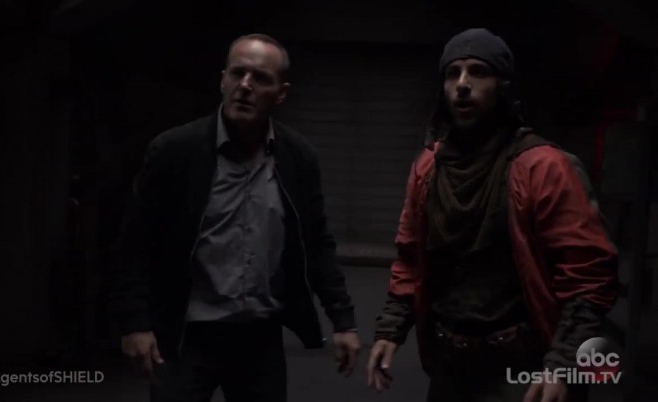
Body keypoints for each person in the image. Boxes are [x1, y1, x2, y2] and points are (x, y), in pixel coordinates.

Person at [367, 28, 618, 402]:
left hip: (523, 367)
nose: (462, 84)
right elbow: (410, 258)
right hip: (451, 364)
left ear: (502, 86)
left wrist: (563, 363)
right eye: (453, 73)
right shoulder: (429, 167)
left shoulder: (544, 167)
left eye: (478, 72)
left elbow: (588, 275)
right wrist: (390, 328)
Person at [108, 33, 361, 402]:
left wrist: (343, 320)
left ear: (281, 93)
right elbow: (135, 244)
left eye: (260, 78)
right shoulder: (175, 151)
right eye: (237, 73)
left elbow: (317, 242)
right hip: (186, 336)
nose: (245, 85)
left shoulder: (297, 157)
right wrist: (134, 322)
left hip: (259, 339)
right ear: (222, 81)